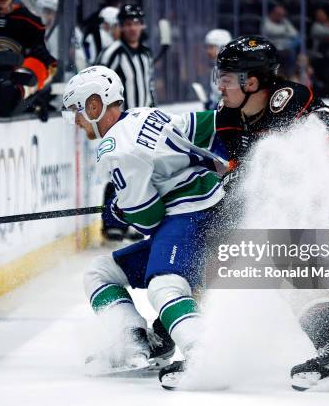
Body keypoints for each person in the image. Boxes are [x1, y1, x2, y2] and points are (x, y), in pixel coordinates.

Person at [212, 35, 329, 391]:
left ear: (252, 82)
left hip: (322, 202)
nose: (220, 85)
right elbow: (237, 175)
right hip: (284, 208)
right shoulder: (229, 118)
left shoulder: (290, 100)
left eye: (227, 77)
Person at [62, 66, 225, 388]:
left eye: (77, 112)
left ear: (94, 105)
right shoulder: (145, 114)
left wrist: (120, 211)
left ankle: (202, 354)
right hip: (215, 208)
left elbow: (148, 216)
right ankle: (136, 340)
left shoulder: (115, 148)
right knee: (100, 272)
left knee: (164, 284)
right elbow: (209, 126)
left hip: (191, 214)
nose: (77, 122)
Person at [96, 3, 156, 241]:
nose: (132, 28)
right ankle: (112, 223)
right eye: (127, 24)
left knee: (142, 172)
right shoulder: (112, 54)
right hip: (119, 124)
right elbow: (97, 87)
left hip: (143, 122)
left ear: (142, 25)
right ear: (119, 27)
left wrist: (154, 115)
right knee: (117, 170)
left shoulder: (145, 54)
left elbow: (149, 88)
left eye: (136, 23)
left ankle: (136, 221)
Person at [261, 4, 300, 77]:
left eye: (282, 15)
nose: (281, 17)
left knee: (293, 51)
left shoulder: (285, 21)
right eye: (279, 15)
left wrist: (284, 33)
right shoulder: (266, 21)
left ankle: (289, 76)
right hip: (272, 49)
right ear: (273, 13)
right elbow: (272, 31)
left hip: (285, 48)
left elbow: (295, 34)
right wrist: (286, 32)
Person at [204, 28, 232, 109]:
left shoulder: (231, 69)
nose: (208, 51)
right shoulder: (217, 67)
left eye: (211, 47)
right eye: (208, 47)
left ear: (222, 47)